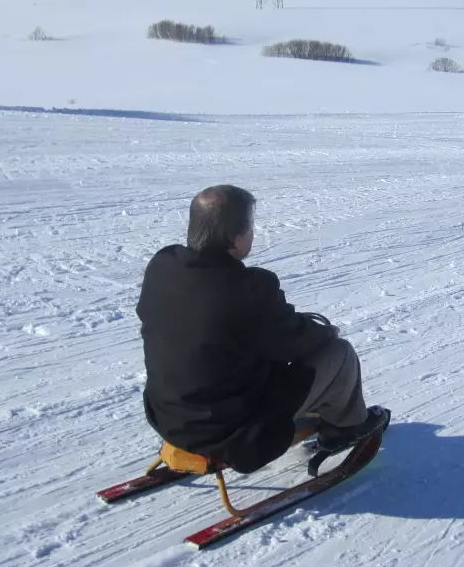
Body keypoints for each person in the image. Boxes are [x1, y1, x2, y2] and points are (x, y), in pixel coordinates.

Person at [136, 185, 389, 474]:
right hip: (232, 434)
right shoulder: (251, 288)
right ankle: (347, 428)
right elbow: (293, 341)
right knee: (339, 354)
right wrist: (325, 333)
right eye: (250, 227)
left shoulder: (163, 265)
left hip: (169, 417)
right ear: (237, 238)